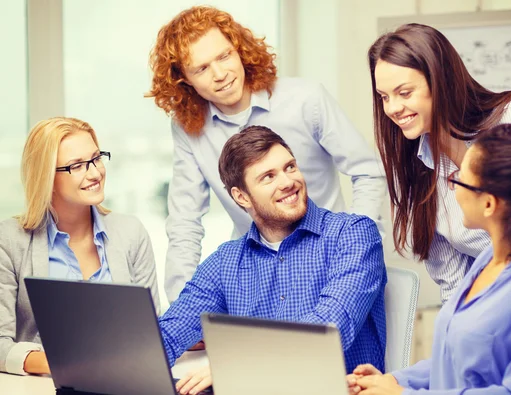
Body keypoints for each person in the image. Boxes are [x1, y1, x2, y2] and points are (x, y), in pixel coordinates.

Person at [368, 24, 511, 392]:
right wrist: (403, 379)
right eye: (384, 97)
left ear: (439, 80)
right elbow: (455, 294)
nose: (393, 108)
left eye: (404, 92)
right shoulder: (418, 166)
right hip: (501, 322)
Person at [147, 5, 386, 303]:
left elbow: (368, 170)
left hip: (331, 264)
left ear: (240, 50)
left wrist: (354, 246)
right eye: (202, 68)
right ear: (184, 80)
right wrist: (185, 302)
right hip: (256, 279)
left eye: (224, 56)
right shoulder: (188, 128)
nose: (220, 74)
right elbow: (185, 219)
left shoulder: (306, 99)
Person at [347, 121, 511, 394]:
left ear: (488, 203)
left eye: (459, 180)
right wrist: (394, 380)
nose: (453, 189)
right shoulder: (489, 258)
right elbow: (456, 355)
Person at [158, 125, 387, 395]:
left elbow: (328, 332)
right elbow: (171, 331)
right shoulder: (225, 262)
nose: (288, 182)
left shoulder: (353, 234)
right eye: (268, 176)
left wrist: (236, 365)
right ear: (241, 197)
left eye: (289, 167)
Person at [0, 117, 160, 376]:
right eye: (77, 166)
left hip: (125, 382)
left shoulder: (131, 233)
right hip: (43, 385)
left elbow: (151, 331)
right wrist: (66, 365)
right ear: (46, 176)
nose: (95, 173)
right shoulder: (9, 240)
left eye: (96, 158)